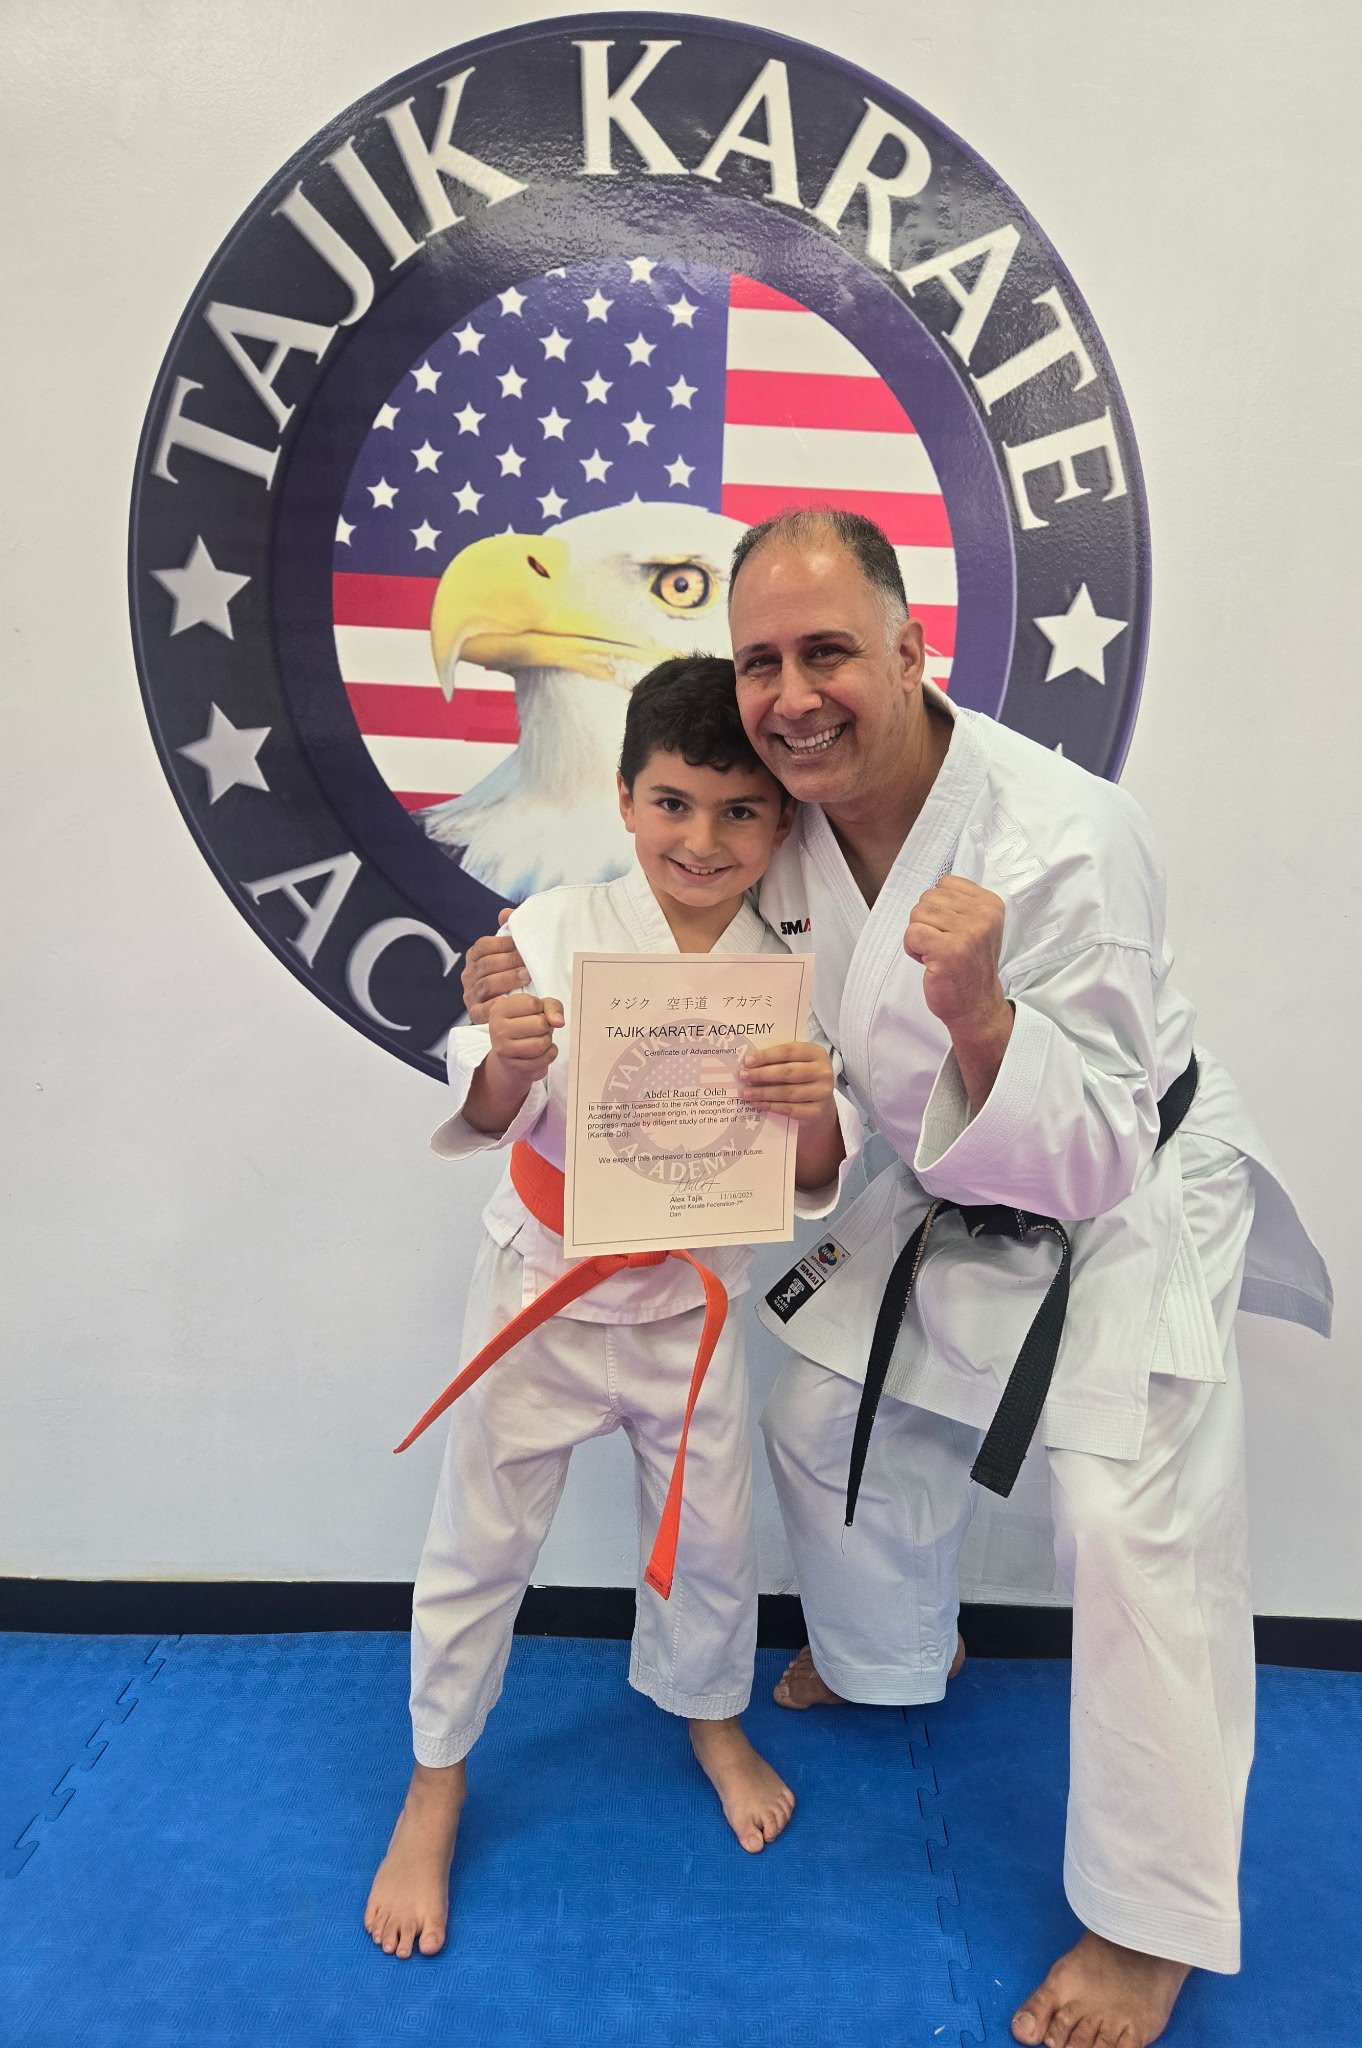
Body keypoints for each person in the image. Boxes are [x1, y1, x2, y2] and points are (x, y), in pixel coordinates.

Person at [459, 510, 1330, 2048]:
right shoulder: (784, 818)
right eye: (763, 662)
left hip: (1118, 1190)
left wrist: (981, 1011)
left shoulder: (1069, 837)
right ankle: (887, 1657)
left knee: (1135, 1520)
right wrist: (521, 1013)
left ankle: (1151, 1923)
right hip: (931, 1187)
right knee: (817, 1418)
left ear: (915, 647)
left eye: (828, 652)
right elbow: (676, 927)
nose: (792, 695)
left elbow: (1092, 1147)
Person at [365, 655, 859, 1962]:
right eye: (676, 804)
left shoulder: (789, 966)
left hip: (689, 1309)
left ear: (783, 823)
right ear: (628, 801)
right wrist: (505, 1068)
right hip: (541, 1291)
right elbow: (479, 1107)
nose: (704, 840)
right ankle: (437, 1780)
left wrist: (815, 1116)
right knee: (477, 1549)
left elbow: (816, 1173)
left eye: (740, 812)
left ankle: (708, 1714)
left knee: (710, 1541)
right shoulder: (549, 933)